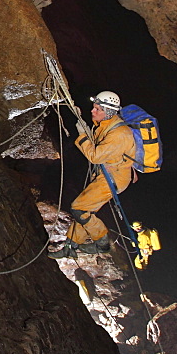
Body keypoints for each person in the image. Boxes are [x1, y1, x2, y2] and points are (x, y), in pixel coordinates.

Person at [49, 90, 136, 259]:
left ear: (109, 112)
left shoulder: (119, 134)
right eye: (94, 107)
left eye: (98, 109)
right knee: (85, 211)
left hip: (115, 178)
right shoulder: (105, 125)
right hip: (106, 175)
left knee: (79, 208)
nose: (92, 111)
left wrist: (82, 136)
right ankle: (70, 246)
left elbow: (95, 156)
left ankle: (102, 243)